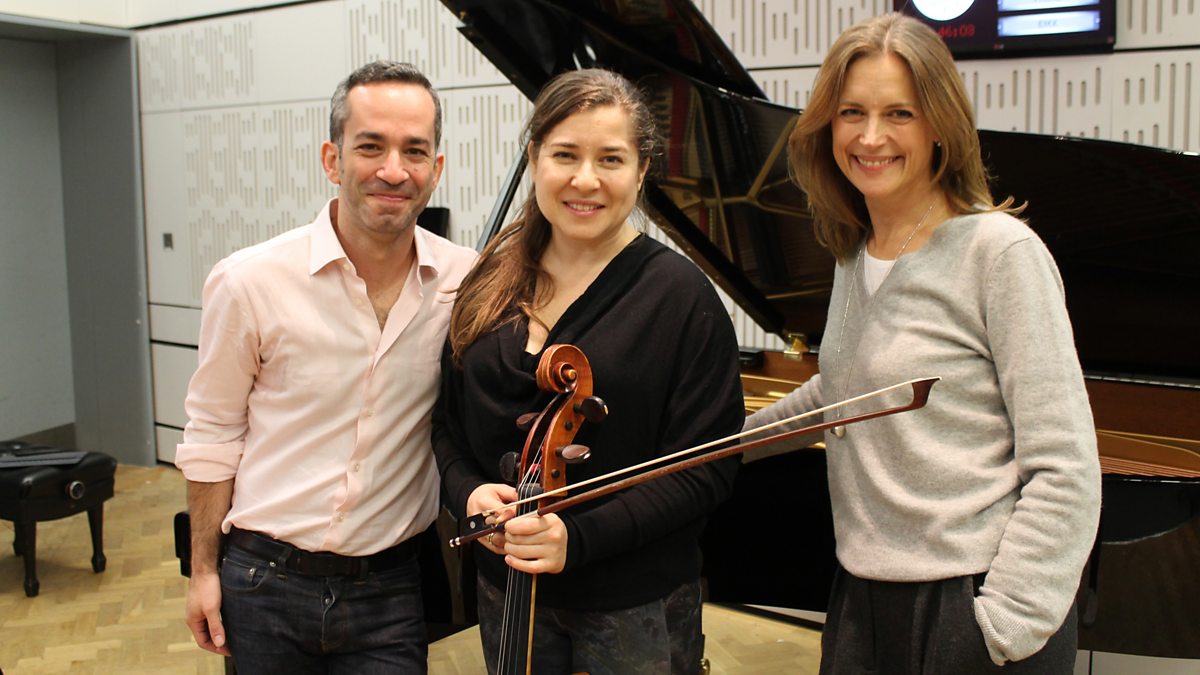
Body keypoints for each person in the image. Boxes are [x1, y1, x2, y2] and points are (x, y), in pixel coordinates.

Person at [744, 13, 1101, 674]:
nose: (870, 137)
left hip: (969, 601)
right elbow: (844, 389)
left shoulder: (1000, 253)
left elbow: (1066, 464)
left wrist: (1003, 622)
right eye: (852, 112)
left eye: (899, 114)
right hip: (863, 593)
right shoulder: (855, 252)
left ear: (939, 124)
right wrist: (724, 443)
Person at [432, 68, 744, 675]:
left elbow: (706, 471)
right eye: (565, 155)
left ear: (642, 169)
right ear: (534, 158)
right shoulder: (489, 281)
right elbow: (446, 425)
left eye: (611, 159)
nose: (585, 179)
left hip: (634, 607)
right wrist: (468, 493)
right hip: (507, 593)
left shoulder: (680, 298)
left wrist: (577, 539)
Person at [175, 60, 476, 674]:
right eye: (371, 147)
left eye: (414, 150)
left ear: (436, 168)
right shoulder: (250, 281)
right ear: (332, 160)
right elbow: (212, 434)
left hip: (392, 587)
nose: (394, 169)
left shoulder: (465, 281)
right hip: (262, 581)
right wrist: (203, 571)